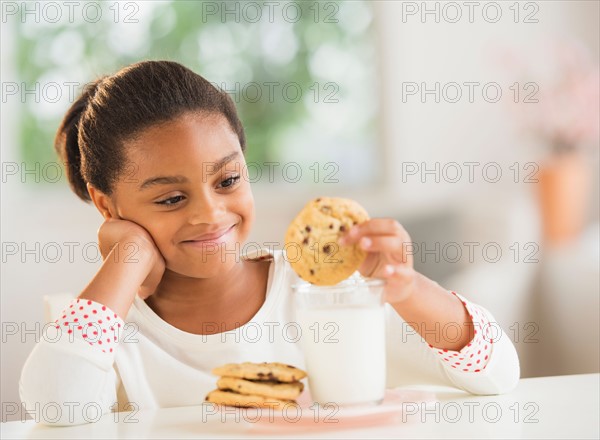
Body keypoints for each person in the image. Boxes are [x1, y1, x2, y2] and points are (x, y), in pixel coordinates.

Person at [20, 60, 520, 425]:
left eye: (228, 181)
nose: (210, 214)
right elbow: (57, 404)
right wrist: (127, 257)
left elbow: (498, 372)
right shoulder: (105, 329)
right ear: (106, 206)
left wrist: (406, 288)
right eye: (171, 199)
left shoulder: (327, 296)